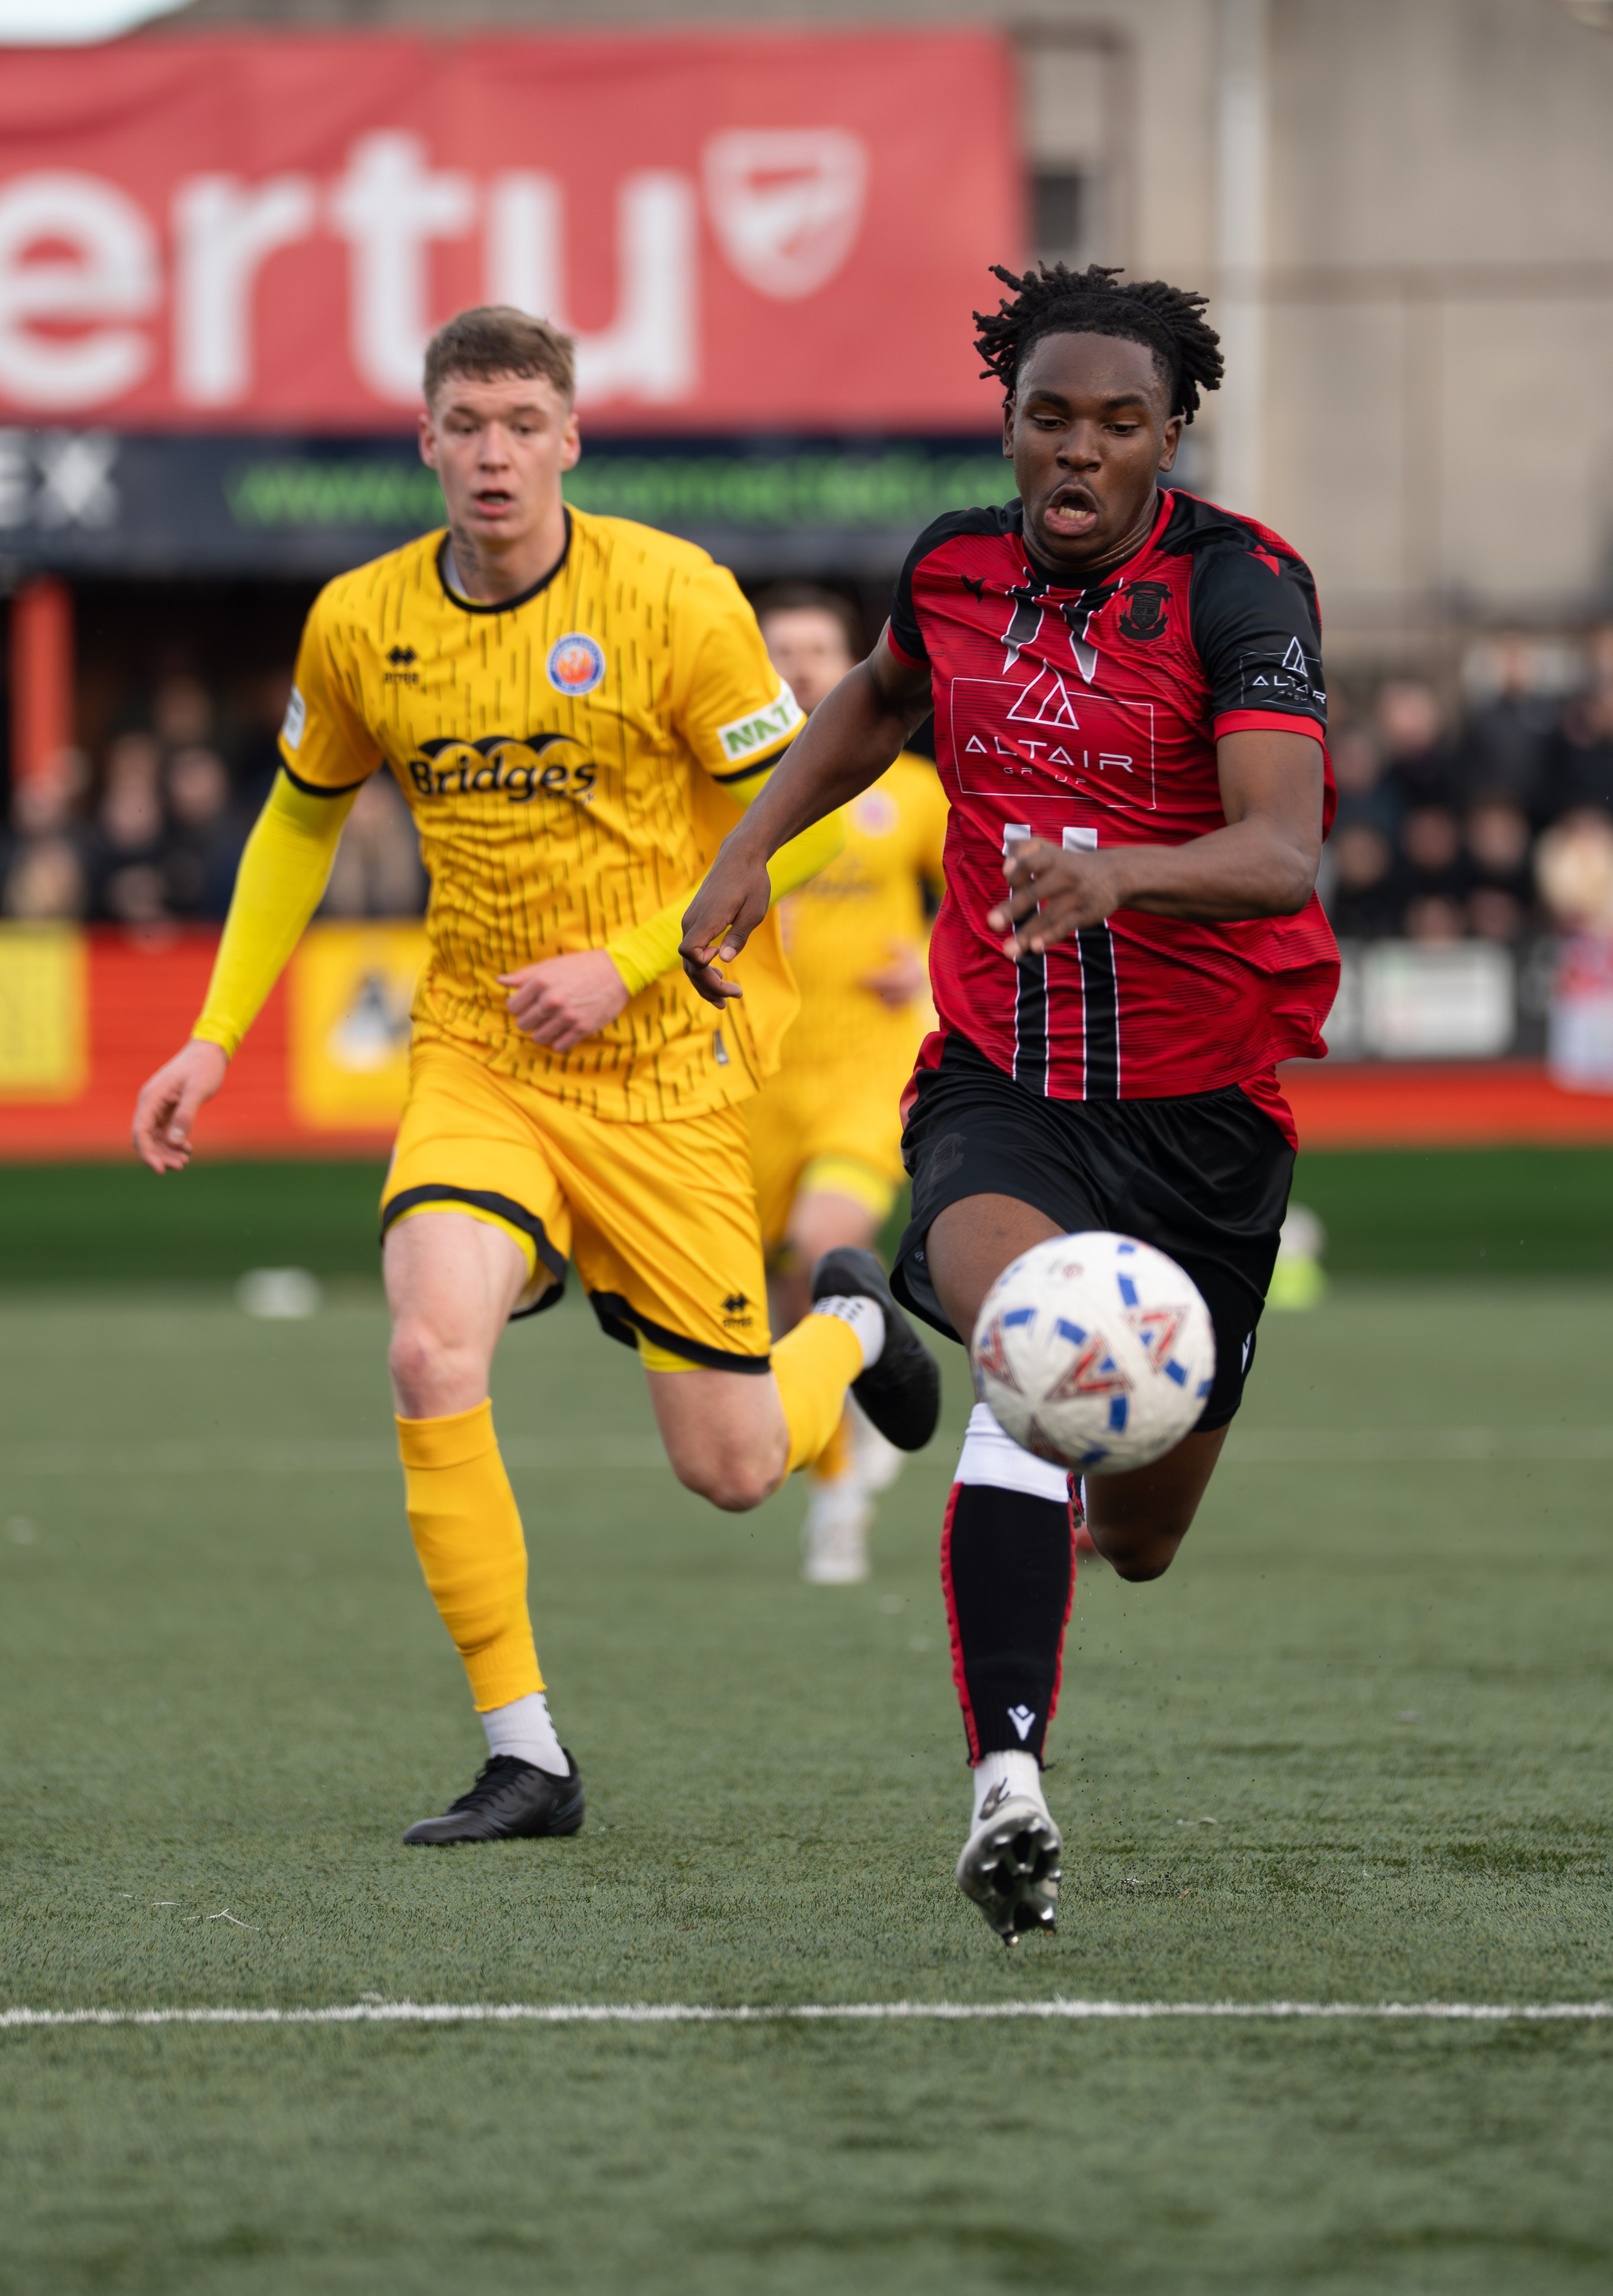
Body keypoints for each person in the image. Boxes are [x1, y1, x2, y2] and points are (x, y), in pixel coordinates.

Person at [132, 304, 938, 1847]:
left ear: (571, 437)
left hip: (662, 1066)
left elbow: (817, 811)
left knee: (733, 1466)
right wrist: (216, 1032)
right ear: (424, 440)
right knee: (432, 1355)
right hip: (478, 1058)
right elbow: (300, 820)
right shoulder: (359, 622)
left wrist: (631, 959)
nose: (493, 453)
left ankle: (843, 1326)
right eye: (466, 424)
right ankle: (528, 1755)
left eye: (521, 423)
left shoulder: (673, 598)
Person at [682, 261, 1336, 1944]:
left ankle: (890, 1358)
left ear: (1169, 439)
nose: (1076, 451)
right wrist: (750, 853)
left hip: (1206, 1120)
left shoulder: (1246, 591)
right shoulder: (950, 568)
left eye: (1118, 424)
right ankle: (1009, 1793)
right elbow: (877, 701)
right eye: (1048, 416)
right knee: (1037, 1350)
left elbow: (1281, 850)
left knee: (1142, 1531)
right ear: (1009, 423)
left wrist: (1115, 875)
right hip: (1003, 1084)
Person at [748, 582, 950, 1583]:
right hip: (752, 1079)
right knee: (777, 1303)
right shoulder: (720, 791)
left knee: (823, 1247)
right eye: (777, 650)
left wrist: (928, 958)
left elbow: (992, 895)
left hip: (866, 1066)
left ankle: (835, 1509)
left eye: (818, 650)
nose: (798, 666)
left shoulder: (906, 791)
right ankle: (844, 1427)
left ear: (849, 664)